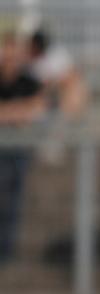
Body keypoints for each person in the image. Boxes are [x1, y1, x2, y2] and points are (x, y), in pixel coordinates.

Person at [0, 32, 46, 264]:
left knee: (12, 198)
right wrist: (17, 112)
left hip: (17, 151)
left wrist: (9, 112)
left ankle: (7, 250)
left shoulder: (29, 80)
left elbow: (36, 109)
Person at [27, 27, 88, 120]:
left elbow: (71, 76)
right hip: (40, 93)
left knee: (74, 91)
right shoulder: (30, 60)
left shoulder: (57, 55)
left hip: (57, 92)